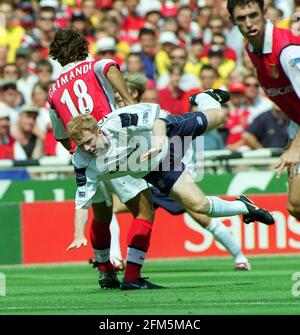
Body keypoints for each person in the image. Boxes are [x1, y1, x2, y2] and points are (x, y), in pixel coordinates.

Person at [67, 90, 274, 290]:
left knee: (219, 117)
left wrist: (157, 142)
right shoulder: (82, 161)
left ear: (99, 132)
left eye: (88, 142)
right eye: (81, 145)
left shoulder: (116, 123)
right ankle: (244, 206)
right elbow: (82, 203)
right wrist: (78, 234)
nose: (87, 149)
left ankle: (205, 98)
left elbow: (156, 121)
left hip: (168, 133)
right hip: (157, 169)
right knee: (199, 205)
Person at [48, 28, 158, 290]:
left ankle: (106, 271)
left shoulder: (53, 92)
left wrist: (79, 153)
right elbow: (110, 67)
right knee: (144, 210)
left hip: (87, 159)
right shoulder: (92, 64)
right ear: (82, 46)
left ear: (57, 57)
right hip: (114, 147)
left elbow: (61, 136)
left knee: (101, 214)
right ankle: (132, 275)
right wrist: (130, 103)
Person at [227, 0, 300, 219]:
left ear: (265, 13)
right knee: (295, 205)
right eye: (241, 18)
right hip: (297, 127)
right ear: (233, 21)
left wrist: (296, 146)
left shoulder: (287, 51)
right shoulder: (251, 49)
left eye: (253, 15)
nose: (249, 23)